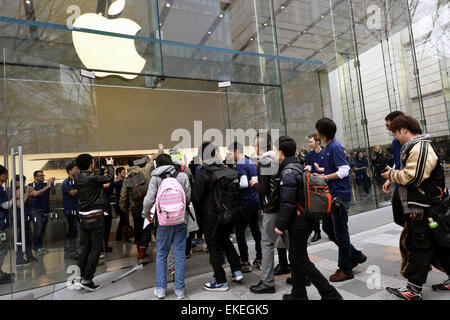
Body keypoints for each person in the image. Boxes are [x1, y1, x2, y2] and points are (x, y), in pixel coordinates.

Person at [382, 115, 450, 300]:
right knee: (437, 246)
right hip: (424, 208)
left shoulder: (421, 147)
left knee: (420, 246)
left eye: (395, 133)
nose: (395, 137)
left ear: (404, 130)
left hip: (424, 209)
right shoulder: (417, 147)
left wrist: (392, 174)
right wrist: (394, 175)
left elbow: (412, 177)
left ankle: (413, 290)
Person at [274, 136, 343, 300]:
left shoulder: (288, 172)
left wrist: (280, 225)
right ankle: (298, 294)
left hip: (299, 221)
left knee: (300, 259)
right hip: (305, 219)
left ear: (281, 152)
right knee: (296, 257)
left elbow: (288, 203)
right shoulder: (298, 166)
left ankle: (330, 294)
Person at [315, 118, 367, 282]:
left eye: (317, 130)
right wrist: (321, 173)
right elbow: (334, 167)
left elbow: (345, 170)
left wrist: (324, 176)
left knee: (340, 233)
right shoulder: (330, 147)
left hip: (339, 196)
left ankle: (346, 269)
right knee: (328, 227)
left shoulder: (335, 147)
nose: (315, 132)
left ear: (321, 132)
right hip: (333, 195)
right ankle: (356, 255)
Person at [192, 142, 243, 292]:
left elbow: (197, 197)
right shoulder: (225, 169)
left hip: (211, 216)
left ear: (202, 157)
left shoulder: (203, 172)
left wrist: (199, 219)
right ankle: (237, 270)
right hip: (228, 213)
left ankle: (220, 280)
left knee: (213, 246)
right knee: (225, 241)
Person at [142, 154, 191, 299]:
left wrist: (146, 215)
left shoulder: (155, 178)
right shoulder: (182, 176)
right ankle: (180, 290)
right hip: (180, 220)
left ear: (157, 164)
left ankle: (161, 289)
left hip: (163, 222)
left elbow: (148, 200)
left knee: (162, 254)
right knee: (180, 255)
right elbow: (187, 198)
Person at [249, 133, 285, 294]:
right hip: (283, 206)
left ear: (259, 146)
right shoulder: (277, 159)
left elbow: (263, 190)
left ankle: (268, 282)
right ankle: (300, 275)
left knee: (267, 243)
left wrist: (254, 184)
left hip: (271, 208)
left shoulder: (264, 161)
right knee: (287, 241)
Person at [74, 154, 114, 291]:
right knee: (96, 249)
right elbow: (109, 178)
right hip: (95, 216)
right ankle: (87, 279)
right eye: (92, 161)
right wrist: (110, 166)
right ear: (90, 163)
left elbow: (95, 181)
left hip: (84, 218)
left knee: (86, 248)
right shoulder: (91, 177)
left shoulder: (78, 177)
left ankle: (79, 277)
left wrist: (100, 170)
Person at [228, 141, 262, 272]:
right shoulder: (250, 162)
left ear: (236, 151)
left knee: (240, 231)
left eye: (231, 153)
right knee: (256, 230)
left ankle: (245, 261)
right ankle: (259, 258)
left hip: (245, 202)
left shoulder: (240, 165)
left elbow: (244, 183)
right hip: (255, 200)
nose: (231, 155)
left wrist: (232, 183)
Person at [382, 111, 405, 226]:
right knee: (399, 216)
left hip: (406, 185)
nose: (387, 129)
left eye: (388, 125)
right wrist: (389, 178)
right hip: (399, 182)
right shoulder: (396, 142)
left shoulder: (403, 141)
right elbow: (398, 162)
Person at [28, 170, 56, 256]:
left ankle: (40, 246)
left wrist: (51, 185)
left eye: (43, 176)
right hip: (36, 211)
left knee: (42, 230)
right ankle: (35, 247)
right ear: (35, 177)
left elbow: (53, 192)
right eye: (40, 176)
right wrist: (47, 186)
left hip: (45, 210)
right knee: (37, 229)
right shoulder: (31, 185)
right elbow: (36, 194)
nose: (42, 177)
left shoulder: (45, 185)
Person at [305, 134, 325, 242]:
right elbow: (308, 167)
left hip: (325, 183)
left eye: (311, 142)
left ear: (317, 142)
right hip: (314, 184)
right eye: (309, 142)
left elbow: (330, 168)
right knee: (314, 208)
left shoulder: (325, 153)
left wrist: (319, 169)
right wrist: (307, 169)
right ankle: (317, 232)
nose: (309, 144)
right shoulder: (309, 155)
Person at [14, 175, 36, 267]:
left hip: (26, 217)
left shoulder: (23, 190)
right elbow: (19, 204)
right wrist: (27, 193)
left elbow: (27, 202)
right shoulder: (15, 191)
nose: (22, 183)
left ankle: (29, 255)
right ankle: (19, 258)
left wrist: (29, 194)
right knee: (20, 239)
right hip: (19, 219)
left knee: (28, 237)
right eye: (20, 181)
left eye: (23, 181)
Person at [62, 162, 80, 260]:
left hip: (77, 209)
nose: (78, 171)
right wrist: (83, 187)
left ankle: (74, 251)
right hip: (70, 210)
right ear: (69, 171)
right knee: (72, 231)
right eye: (75, 169)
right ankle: (71, 253)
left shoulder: (77, 181)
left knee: (75, 231)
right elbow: (72, 192)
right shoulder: (66, 182)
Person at [0, 165, 14, 284]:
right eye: (4, 173)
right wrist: (14, 200)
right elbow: (5, 205)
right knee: (2, 249)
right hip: (2, 224)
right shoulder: (0, 189)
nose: (6, 176)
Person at [113, 167, 128, 241]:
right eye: (123, 172)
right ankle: (118, 237)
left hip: (121, 203)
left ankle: (122, 237)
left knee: (124, 221)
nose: (125, 173)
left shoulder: (121, 181)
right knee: (123, 220)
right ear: (118, 173)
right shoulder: (119, 182)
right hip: (120, 203)